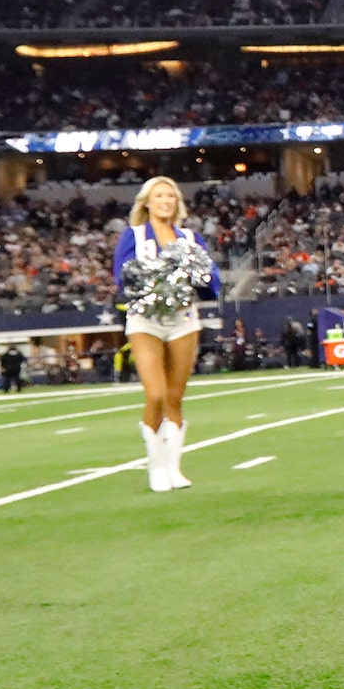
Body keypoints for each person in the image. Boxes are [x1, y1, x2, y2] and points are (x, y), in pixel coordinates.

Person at [114, 175, 221, 491]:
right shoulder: (132, 235)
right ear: (146, 202)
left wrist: (199, 280)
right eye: (159, 196)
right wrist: (153, 283)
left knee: (175, 397)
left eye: (170, 196)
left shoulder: (189, 237)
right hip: (145, 321)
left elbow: (208, 275)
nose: (165, 201)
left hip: (183, 318)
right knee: (156, 394)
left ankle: (173, 467)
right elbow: (122, 277)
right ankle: (155, 467)